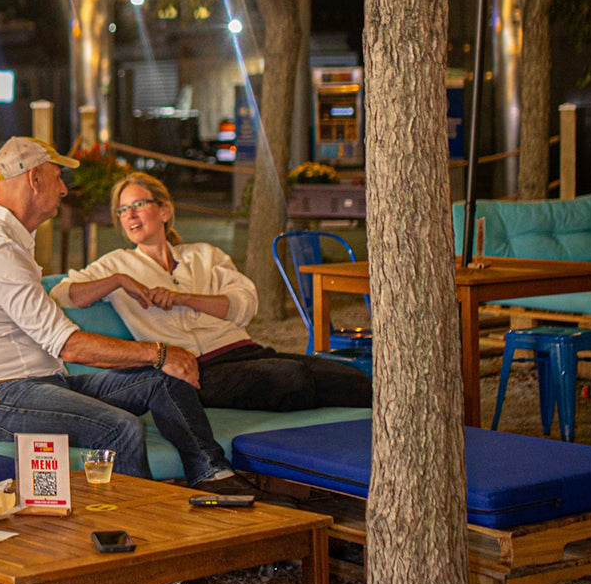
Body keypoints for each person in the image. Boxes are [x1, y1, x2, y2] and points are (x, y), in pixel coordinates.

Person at [0, 136, 246, 584]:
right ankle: (167, 582)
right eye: (58, 178)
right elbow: (67, 344)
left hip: (44, 384)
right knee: (121, 427)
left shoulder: (13, 243)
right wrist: (160, 349)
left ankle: (212, 475)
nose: (64, 189)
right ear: (34, 179)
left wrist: (159, 360)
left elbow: (60, 350)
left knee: (158, 380)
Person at [51, 172, 372, 412]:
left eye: (138, 205)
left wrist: (183, 298)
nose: (130, 215)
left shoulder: (204, 255)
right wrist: (119, 280)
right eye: (123, 211)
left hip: (245, 352)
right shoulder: (115, 264)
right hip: (197, 371)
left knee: (353, 378)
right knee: (291, 377)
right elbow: (65, 294)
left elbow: (244, 304)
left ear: (164, 211)